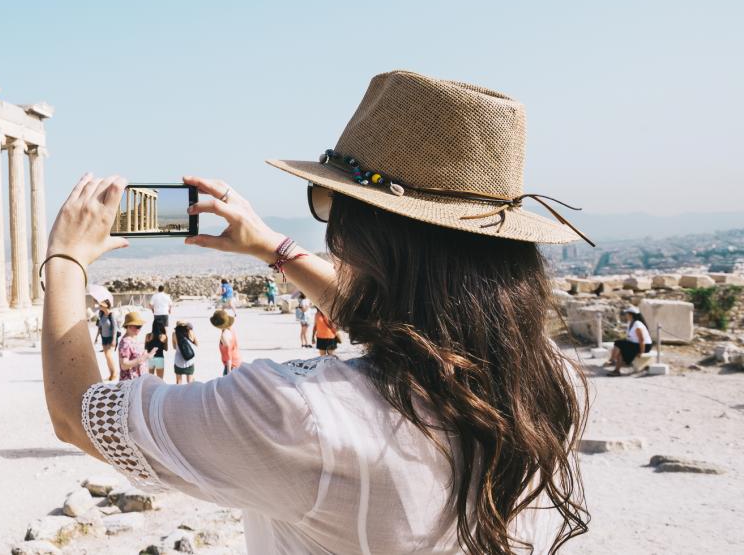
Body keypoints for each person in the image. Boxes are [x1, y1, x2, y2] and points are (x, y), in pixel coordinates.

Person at [41, 71, 594, 553]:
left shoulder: (298, 414)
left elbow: (76, 415)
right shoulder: (547, 382)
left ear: (365, 234)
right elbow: (406, 319)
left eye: (328, 202)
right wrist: (273, 249)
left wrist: (65, 260)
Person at [608, 305, 653, 376]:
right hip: (636, 344)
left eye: (627, 314)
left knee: (618, 343)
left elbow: (642, 339)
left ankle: (612, 360)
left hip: (644, 346)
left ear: (631, 315)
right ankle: (616, 370)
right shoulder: (631, 323)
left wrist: (641, 352)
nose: (626, 315)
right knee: (620, 346)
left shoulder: (637, 324)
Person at [117, 311, 153, 381]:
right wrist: (142, 358)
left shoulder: (133, 338)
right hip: (131, 382)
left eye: (140, 326)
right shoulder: (125, 342)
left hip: (137, 381)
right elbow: (124, 365)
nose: (139, 329)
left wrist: (146, 355)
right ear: (129, 326)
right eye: (137, 326)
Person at [92, 300, 120, 381]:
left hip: (111, 337)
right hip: (103, 338)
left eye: (102, 304)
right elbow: (100, 327)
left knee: (108, 355)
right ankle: (111, 374)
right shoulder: (101, 314)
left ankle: (114, 373)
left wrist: (114, 340)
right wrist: (96, 337)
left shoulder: (111, 314)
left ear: (106, 306)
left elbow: (115, 328)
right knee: (107, 357)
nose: (100, 306)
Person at [211, 309, 241, 375]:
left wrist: (229, 371)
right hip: (237, 360)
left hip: (231, 365)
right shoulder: (231, 329)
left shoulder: (224, 336)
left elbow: (228, 354)